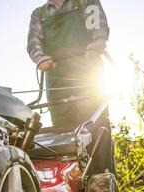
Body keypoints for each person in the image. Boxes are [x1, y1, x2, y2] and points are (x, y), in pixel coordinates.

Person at [27, 0, 110, 128]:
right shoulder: (39, 14)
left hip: (89, 77)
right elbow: (34, 42)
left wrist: (97, 43)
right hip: (57, 84)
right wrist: (40, 58)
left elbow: (98, 27)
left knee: (96, 127)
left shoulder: (86, 2)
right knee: (63, 132)